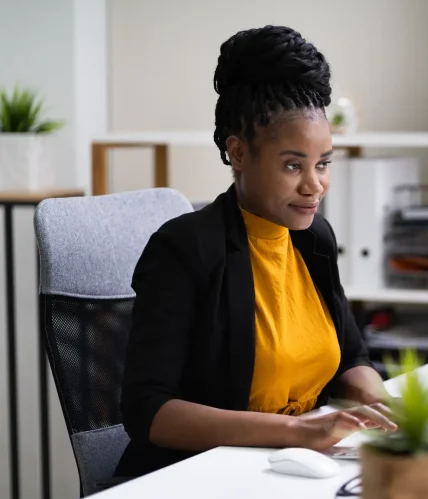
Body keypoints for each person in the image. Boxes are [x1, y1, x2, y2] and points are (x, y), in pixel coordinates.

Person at [115, 25, 395, 478]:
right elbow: (148, 413)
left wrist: (386, 409)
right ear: (239, 152)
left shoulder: (314, 239)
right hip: (198, 475)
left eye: (323, 164)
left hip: (294, 467)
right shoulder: (185, 249)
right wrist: (299, 432)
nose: (314, 185)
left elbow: (352, 357)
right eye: (292, 165)